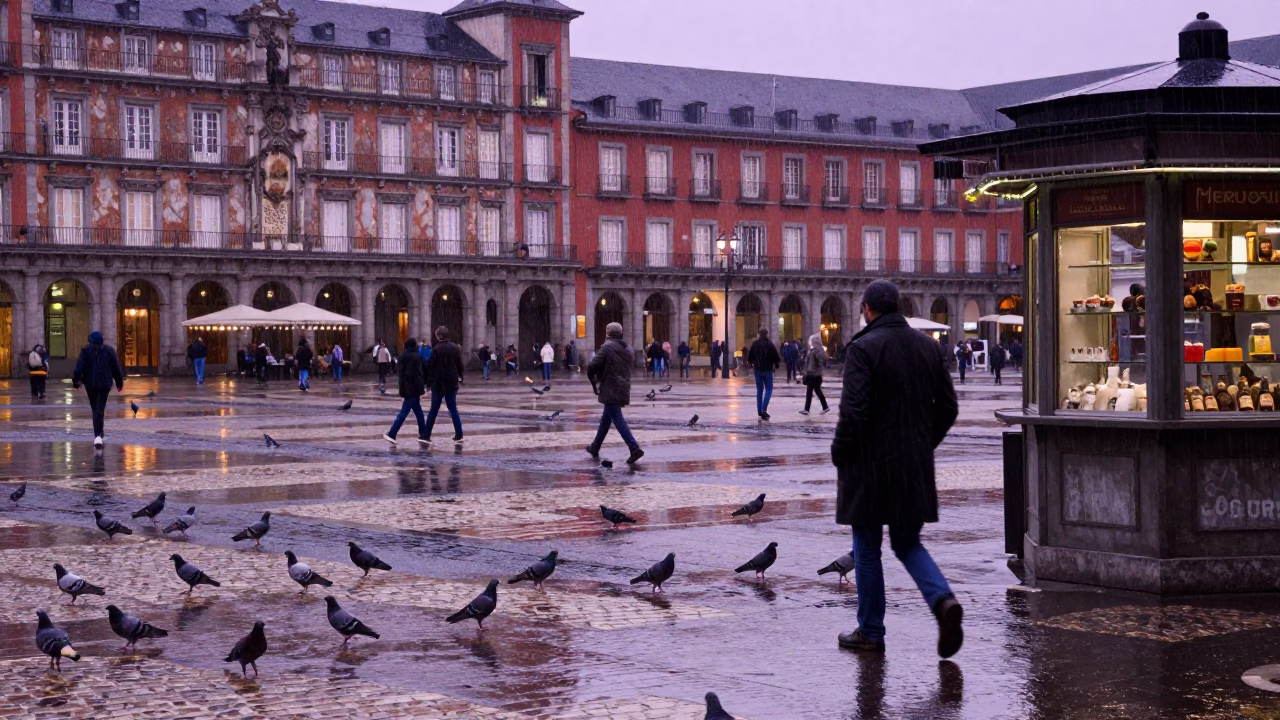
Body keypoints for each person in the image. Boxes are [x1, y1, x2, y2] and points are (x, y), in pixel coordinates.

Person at [831, 279, 962, 658]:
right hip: (913, 465)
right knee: (907, 542)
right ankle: (942, 601)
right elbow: (949, 407)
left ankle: (870, 631)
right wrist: (922, 444)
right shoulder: (927, 346)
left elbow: (852, 413)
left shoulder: (862, 348)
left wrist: (840, 451)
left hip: (869, 467)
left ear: (868, 310)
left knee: (867, 549)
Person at [586, 322, 643, 465]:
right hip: (623, 386)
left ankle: (634, 447)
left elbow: (592, 366)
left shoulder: (607, 347)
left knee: (617, 417)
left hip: (610, 387)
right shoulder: (628, 349)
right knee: (606, 419)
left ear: (608, 334)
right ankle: (595, 447)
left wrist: (594, 379)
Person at [71, 331, 123, 447]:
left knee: (97, 409)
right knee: (98, 409)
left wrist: (76, 380)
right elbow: (116, 368)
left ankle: (98, 435)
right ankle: (99, 433)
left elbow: (79, 367)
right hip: (100, 384)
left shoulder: (87, 351)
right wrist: (119, 382)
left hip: (96, 384)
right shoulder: (108, 351)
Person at [422, 326, 466, 445]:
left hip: (438, 382)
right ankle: (459, 434)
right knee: (453, 408)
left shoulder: (436, 349)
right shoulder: (454, 348)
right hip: (451, 382)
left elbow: (430, 367)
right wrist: (460, 376)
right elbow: (459, 364)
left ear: (439, 336)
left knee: (434, 410)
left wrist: (428, 383)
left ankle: (426, 435)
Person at [383, 338, 429, 445]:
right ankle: (393, 433)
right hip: (414, 388)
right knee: (407, 412)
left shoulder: (402, 356)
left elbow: (400, 374)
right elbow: (419, 373)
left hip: (405, 387)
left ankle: (422, 434)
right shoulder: (416, 356)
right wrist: (422, 387)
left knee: (417, 411)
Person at [746, 329, 781, 420]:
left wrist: (751, 363)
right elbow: (776, 357)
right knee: (769, 389)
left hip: (757, 369)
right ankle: (764, 409)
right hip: (768, 370)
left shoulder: (755, 344)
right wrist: (776, 364)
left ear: (759, 334)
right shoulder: (770, 344)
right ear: (766, 334)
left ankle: (759, 410)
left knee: (759, 390)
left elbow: (750, 357)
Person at [800, 333, 830, 415]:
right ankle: (825, 407)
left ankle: (807, 409)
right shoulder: (815, 350)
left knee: (810, 391)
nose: (810, 343)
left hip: (814, 374)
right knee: (817, 391)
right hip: (814, 374)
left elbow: (820, 360)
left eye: (811, 341)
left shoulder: (816, 350)